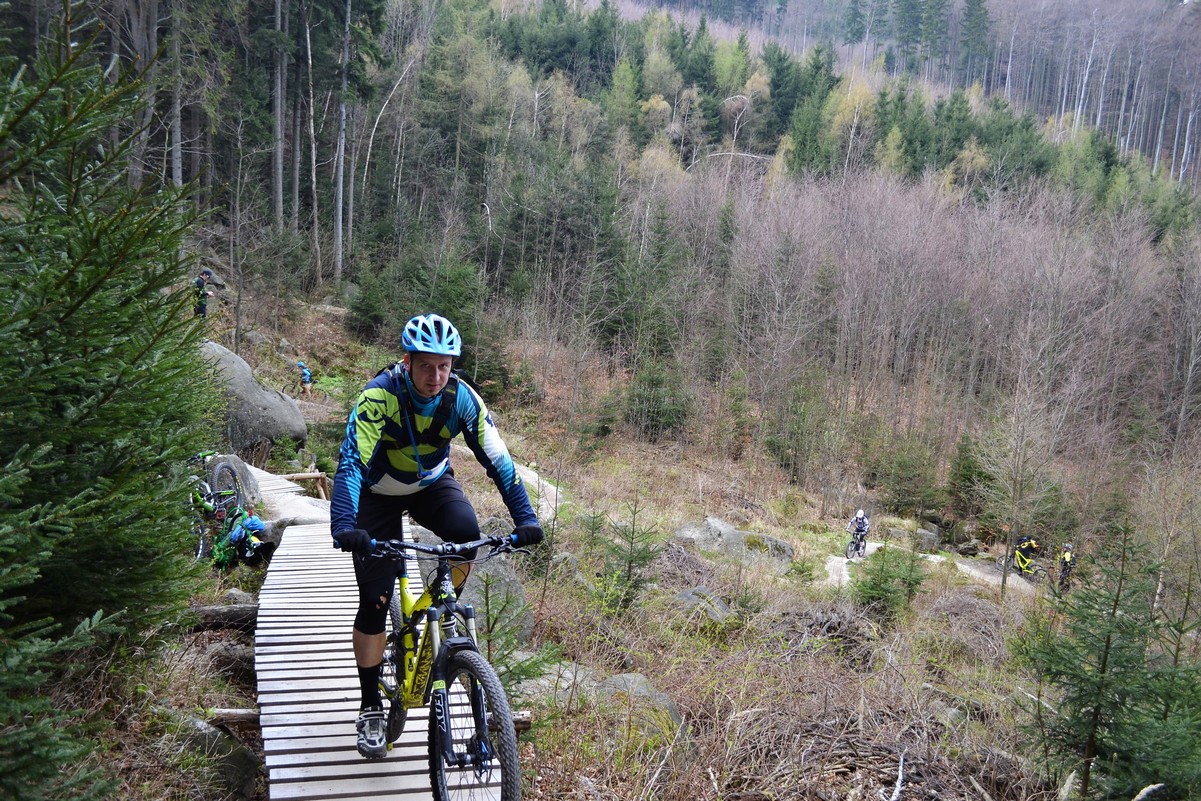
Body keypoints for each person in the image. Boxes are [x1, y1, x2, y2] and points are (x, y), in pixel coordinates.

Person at [329, 312, 543, 760]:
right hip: (377, 494)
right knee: (374, 601)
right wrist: (345, 525)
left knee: (467, 534)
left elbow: (499, 460)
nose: (436, 376)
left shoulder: (461, 398)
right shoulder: (379, 397)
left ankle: (440, 604)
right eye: (426, 365)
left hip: (431, 485)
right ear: (407, 361)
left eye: (444, 366)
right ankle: (370, 706)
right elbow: (351, 462)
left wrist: (525, 518)